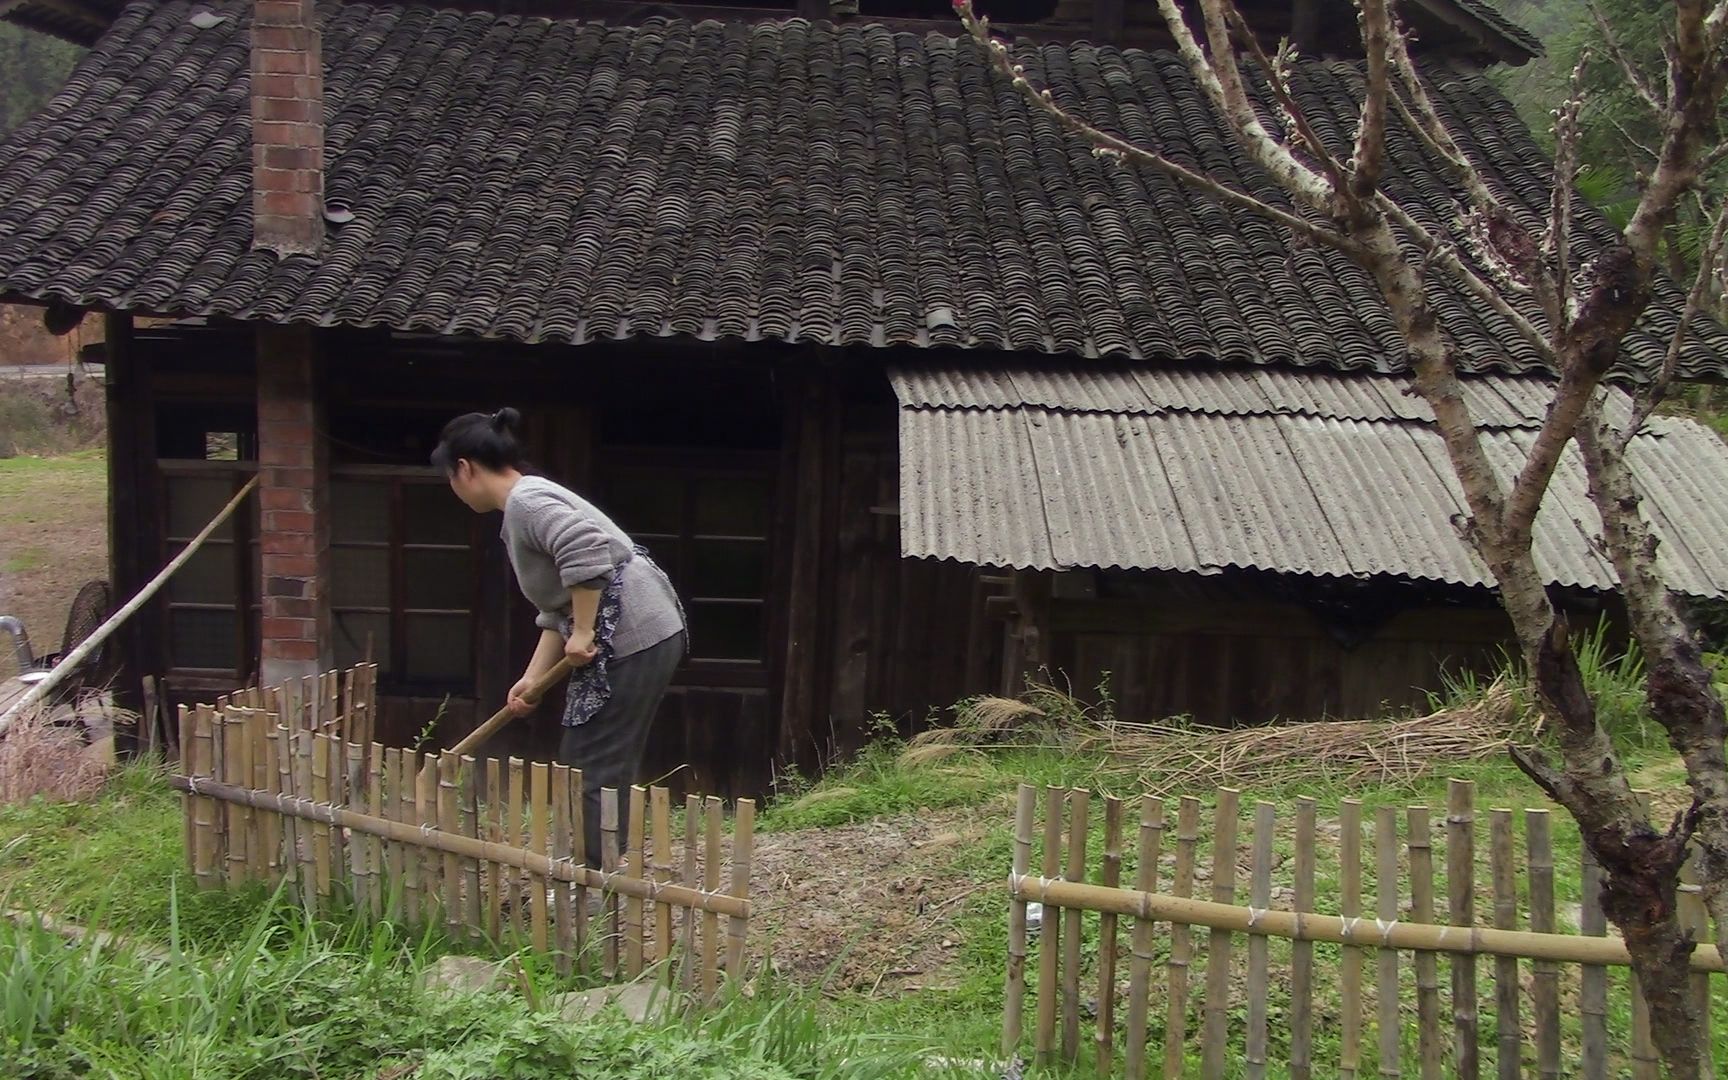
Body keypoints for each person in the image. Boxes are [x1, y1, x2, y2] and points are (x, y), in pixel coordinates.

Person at [431, 408, 686, 870]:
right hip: (642, 629)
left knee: (591, 757)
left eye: (450, 477)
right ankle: (605, 861)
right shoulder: (526, 503)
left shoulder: (528, 503)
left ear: (464, 469)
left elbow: (585, 549)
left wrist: (586, 630)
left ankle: (596, 877)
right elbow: (558, 608)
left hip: (632, 633)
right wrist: (530, 680)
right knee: (598, 755)